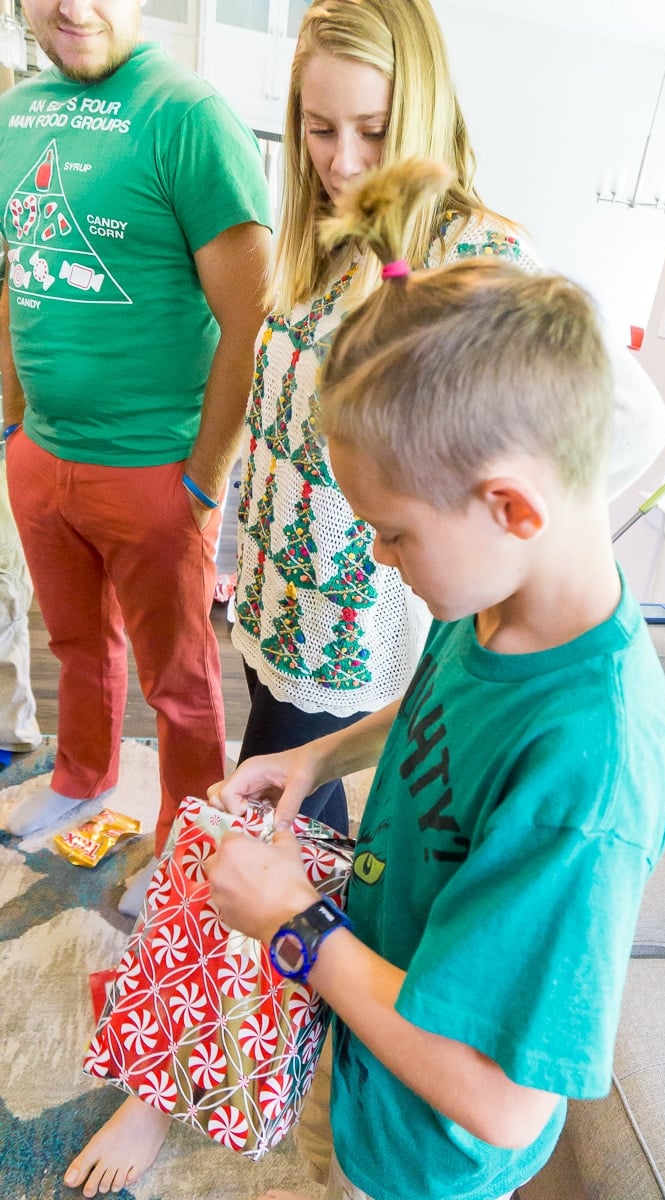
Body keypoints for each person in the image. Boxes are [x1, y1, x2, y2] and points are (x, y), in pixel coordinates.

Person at [63, 160, 665, 1200]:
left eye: (393, 534)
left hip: (418, 1160)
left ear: (510, 507)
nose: (382, 561)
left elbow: (501, 1101)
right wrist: (316, 754)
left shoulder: (588, 775)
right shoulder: (499, 602)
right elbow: (438, 710)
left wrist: (297, 926)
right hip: (363, 1033)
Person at [230, 0, 665, 838]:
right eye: (319, 129)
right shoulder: (330, 241)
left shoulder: (476, 257)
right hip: (273, 601)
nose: (344, 162)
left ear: (422, 109)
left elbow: (632, 418)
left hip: (344, 626)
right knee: (298, 832)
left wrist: (506, 548)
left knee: (275, 832)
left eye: (373, 128)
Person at [0, 0, 272, 914]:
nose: (72, 7)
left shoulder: (190, 118)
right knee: (76, 645)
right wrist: (10, 423)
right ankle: (82, 774)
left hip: (156, 471)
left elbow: (249, 319)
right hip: (41, 458)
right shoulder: (16, 110)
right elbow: (15, 266)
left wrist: (203, 479)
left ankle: (188, 842)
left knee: (182, 685)